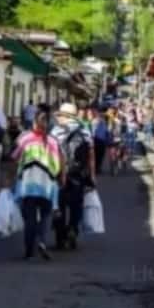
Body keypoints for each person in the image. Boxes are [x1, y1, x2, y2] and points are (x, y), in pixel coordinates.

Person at [12, 110, 62, 261]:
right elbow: (57, 164)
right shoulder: (53, 141)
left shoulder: (25, 138)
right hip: (46, 185)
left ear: (34, 122)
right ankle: (42, 242)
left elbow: (15, 157)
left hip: (28, 184)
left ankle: (29, 250)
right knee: (46, 216)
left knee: (30, 218)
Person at [50, 103, 95, 251]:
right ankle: (73, 229)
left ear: (65, 116)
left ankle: (60, 237)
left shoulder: (55, 131)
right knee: (76, 205)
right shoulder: (85, 131)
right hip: (78, 174)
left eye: (61, 115)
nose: (59, 118)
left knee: (58, 205)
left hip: (57, 174)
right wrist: (92, 175)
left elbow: (50, 152)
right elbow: (91, 155)